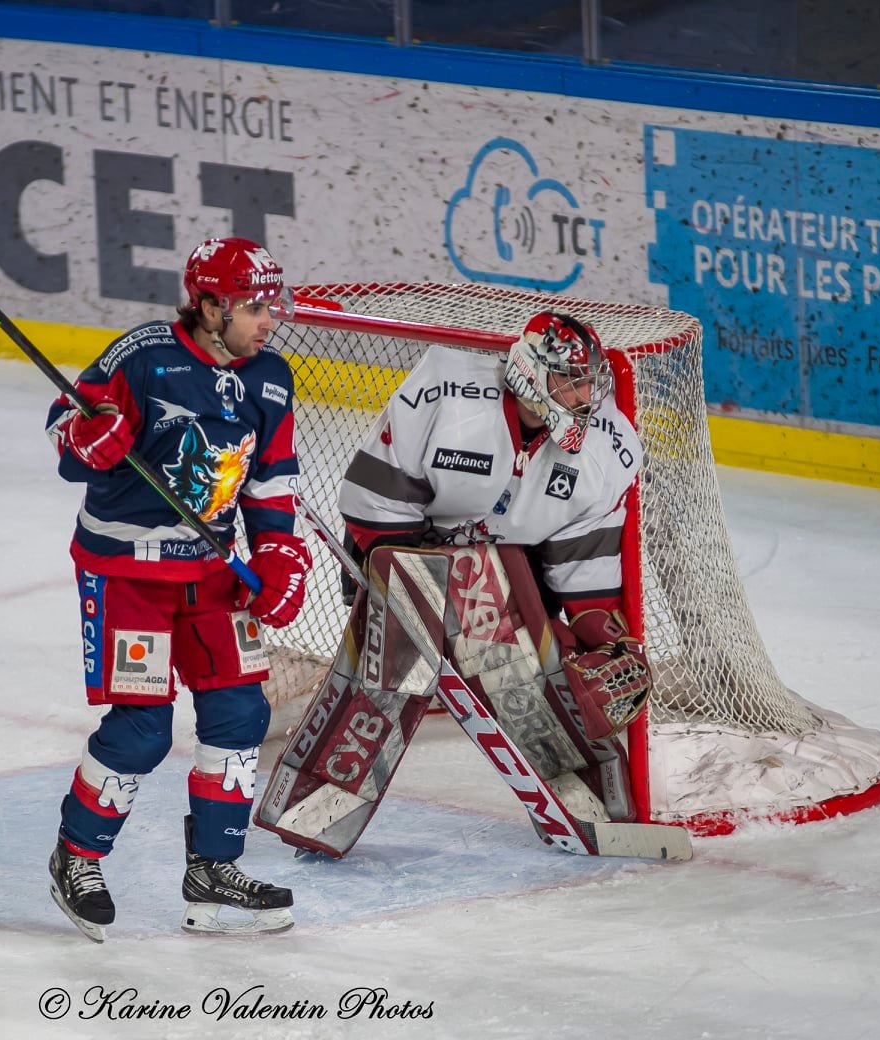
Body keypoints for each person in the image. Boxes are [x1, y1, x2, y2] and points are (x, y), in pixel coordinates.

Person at [43, 237, 309, 941]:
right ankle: (77, 858)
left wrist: (279, 554)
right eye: (253, 307)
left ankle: (213, 871)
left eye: (269, 305)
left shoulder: (271, 378)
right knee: (141, 731)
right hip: (127, 571)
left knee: (240, 713)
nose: (268, 320)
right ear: (209, 304)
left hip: (214, 571)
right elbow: (64, 427)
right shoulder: (145, 355)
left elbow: (271, 484)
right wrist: (85, 439)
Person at [337, 310, 652, 791]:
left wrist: (604, 642)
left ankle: (575, 769)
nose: (586, 398)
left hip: (512, 569)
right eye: (570, 381)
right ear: (530, 374)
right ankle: (341, 762)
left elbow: (586, 571)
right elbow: (373, 504)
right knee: (406, 662)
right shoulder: (446, 395)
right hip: (400, 549)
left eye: (589, 383)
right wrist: (442, 596)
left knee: (563, 665)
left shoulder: (609, 449)